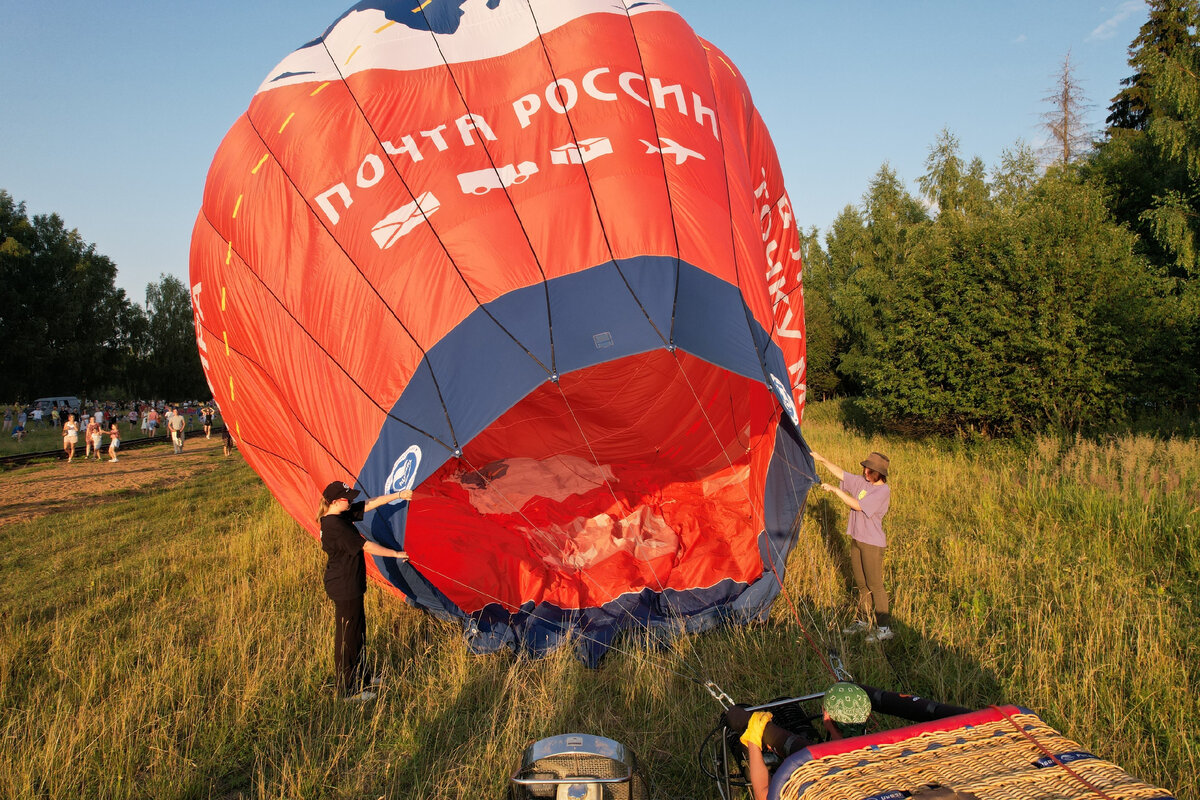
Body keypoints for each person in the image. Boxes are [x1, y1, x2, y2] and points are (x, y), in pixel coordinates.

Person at [317, 481, 412, 701]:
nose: (350, 501)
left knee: (358, 632)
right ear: (333, 502)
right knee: (348, 638)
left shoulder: (340, 515)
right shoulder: (334, 525)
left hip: (350, 582)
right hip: (344, 586)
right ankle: (347, 690)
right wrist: (396, 555)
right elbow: (365, 546)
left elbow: (369, 504)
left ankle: (363, 676)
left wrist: (398, 494)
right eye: (346, 498)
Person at [727, 682, 873, 800]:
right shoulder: (883, 753)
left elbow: (764, 796)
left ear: (826, 716)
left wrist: (753, 742)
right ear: (865, 717)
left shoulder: (813, 770)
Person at [811, 450, 893, 642]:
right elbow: (842, 474)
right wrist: (822, 459)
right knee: (862, 585)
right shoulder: (863, 482)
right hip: (857, 540)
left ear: (878, 472)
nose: (865, 471)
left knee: (875, 585)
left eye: (869, 469)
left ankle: (884, 628)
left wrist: (836, 490)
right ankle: (863, 621)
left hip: (872, 544)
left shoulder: (882, 491)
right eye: (865, 468)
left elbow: (858, 505)